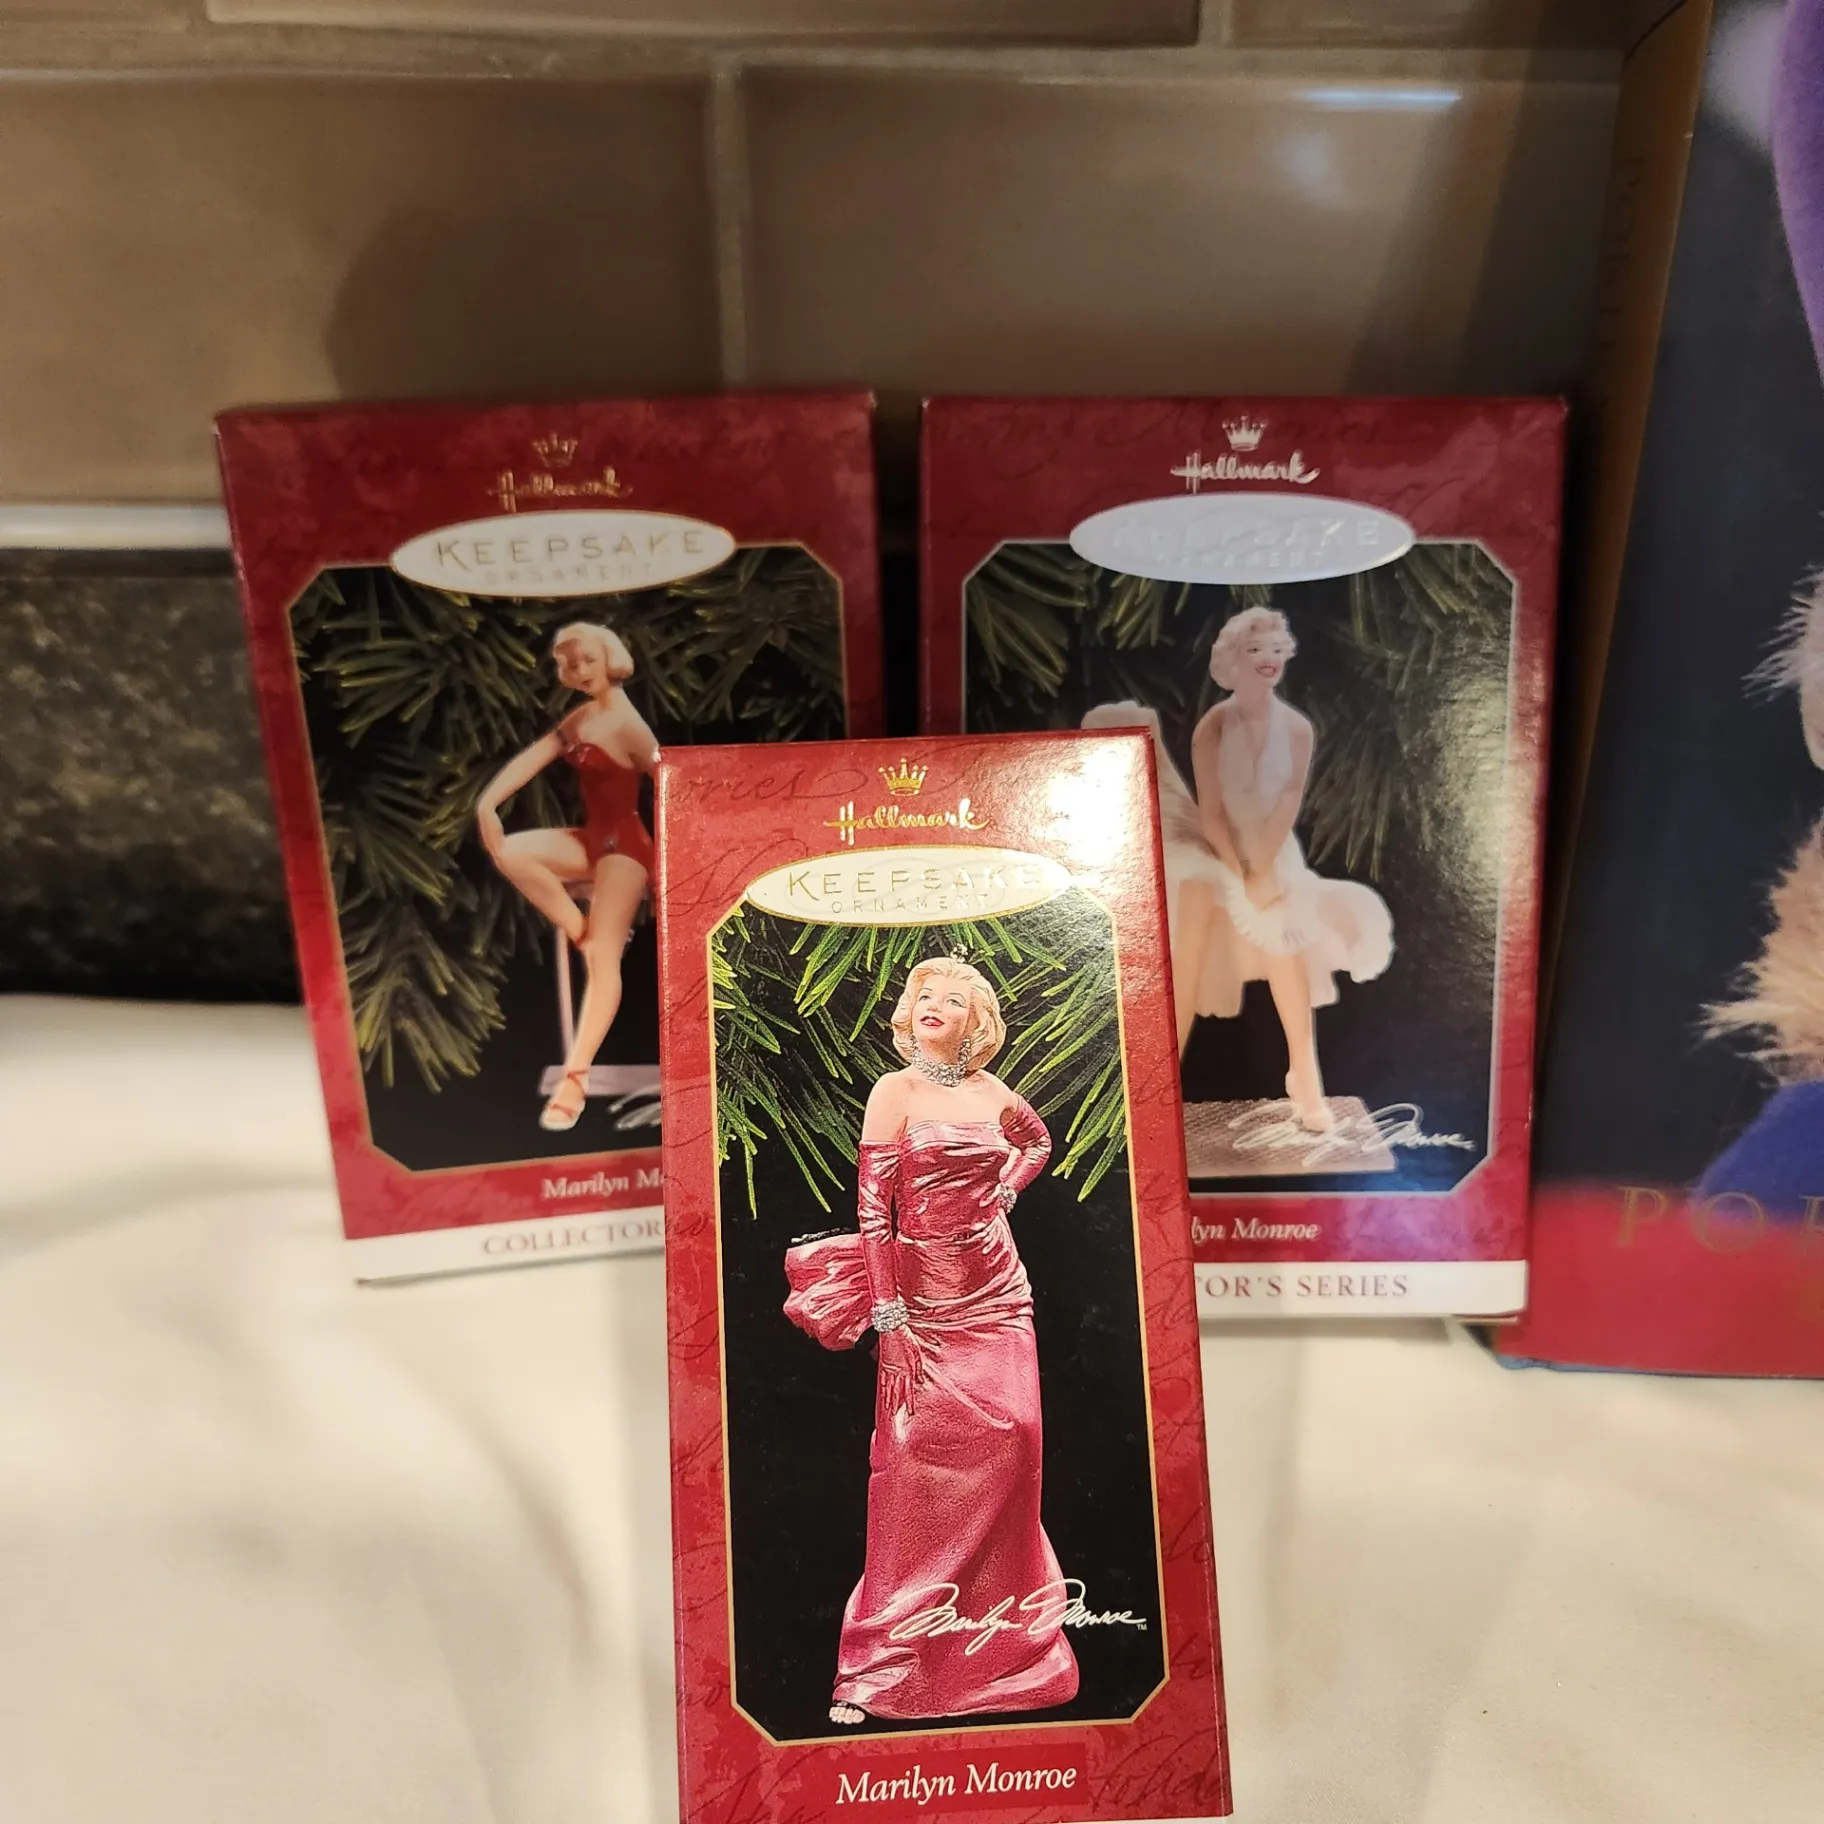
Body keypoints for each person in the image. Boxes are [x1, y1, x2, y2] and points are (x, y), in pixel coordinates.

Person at [783, 958, 1078, 1726]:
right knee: (911, 1467)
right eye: (923, 996)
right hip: (922, 1301)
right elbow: (872, 1210)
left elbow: (1038, 1141)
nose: (933, 1005)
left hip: (1000, 1295)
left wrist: (1008, 1184)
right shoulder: (895, 1092)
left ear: (977, 1021)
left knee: (1017, 1442)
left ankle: (1007, 1653)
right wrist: (888, 1312)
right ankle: (877, 1668)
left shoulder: (993, 1093)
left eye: (952, 998)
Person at [1086, 606, 1390, 1132]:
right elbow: (1211, 808)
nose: (1268, 659)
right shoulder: (1213, 727)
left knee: (1285, 935)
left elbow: (1288, 802)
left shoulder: (1297, 728)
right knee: (1193, 918)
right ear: (1233, 660)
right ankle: (1159, 1082)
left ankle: (1305, 1075)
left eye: (1275, 649)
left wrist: (1261, 869)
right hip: (1218, 847)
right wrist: (1235, 868)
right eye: (1255, 650)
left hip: (1273, 853)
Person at [475, 622, 659, 1132]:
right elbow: (534, 757)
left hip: (627, 849)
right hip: (592, 839)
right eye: (571, 663)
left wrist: (674, 861)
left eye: (588, 659)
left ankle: (574, 1080)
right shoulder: (580, 718)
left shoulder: (630, 726)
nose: (580, 670)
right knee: (509, 850)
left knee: (603, 960)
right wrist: (488, 804)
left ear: (609, 659)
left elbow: (671, 784)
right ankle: (580, 929)